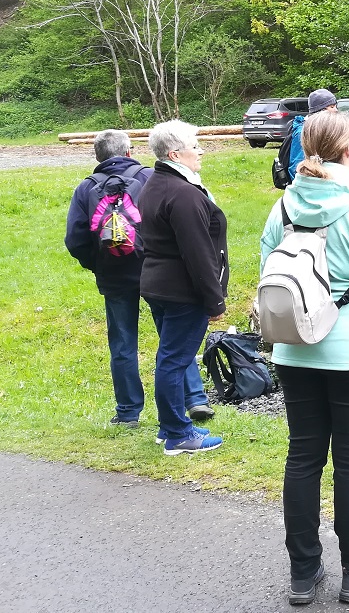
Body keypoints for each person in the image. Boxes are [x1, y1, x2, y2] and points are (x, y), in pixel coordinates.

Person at [261, 112, 349, 605]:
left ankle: (303, 573)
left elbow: (269, 273)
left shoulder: (283, 207)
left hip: (294, 348)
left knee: (302, 456)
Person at [140, 120, 227, 454]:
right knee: (174, 361)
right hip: (181, 291)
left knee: (169, 358)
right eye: (195, 145)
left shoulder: (157, 182)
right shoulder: (183, 193)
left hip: (159, 284)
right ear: (175, 153)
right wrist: (214, 300)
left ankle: (169, 427)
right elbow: (198, 253)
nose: (201, 150)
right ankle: (177, 433)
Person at [64, 129, 154, 427]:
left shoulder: (86, 188)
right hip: (154, 270)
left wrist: (99, 264)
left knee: (122, 343)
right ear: (129, 152)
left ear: (97, 156)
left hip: (113, 276)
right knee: (171, 338)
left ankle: (128, 413)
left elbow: (75, 240)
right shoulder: (148, 178)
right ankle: (192, 400)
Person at [286, 89, 339, 181]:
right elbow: (296, 167)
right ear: (321, 110)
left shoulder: (323, 129)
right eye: (332, 107)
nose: (336, 110)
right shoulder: (303, 132)